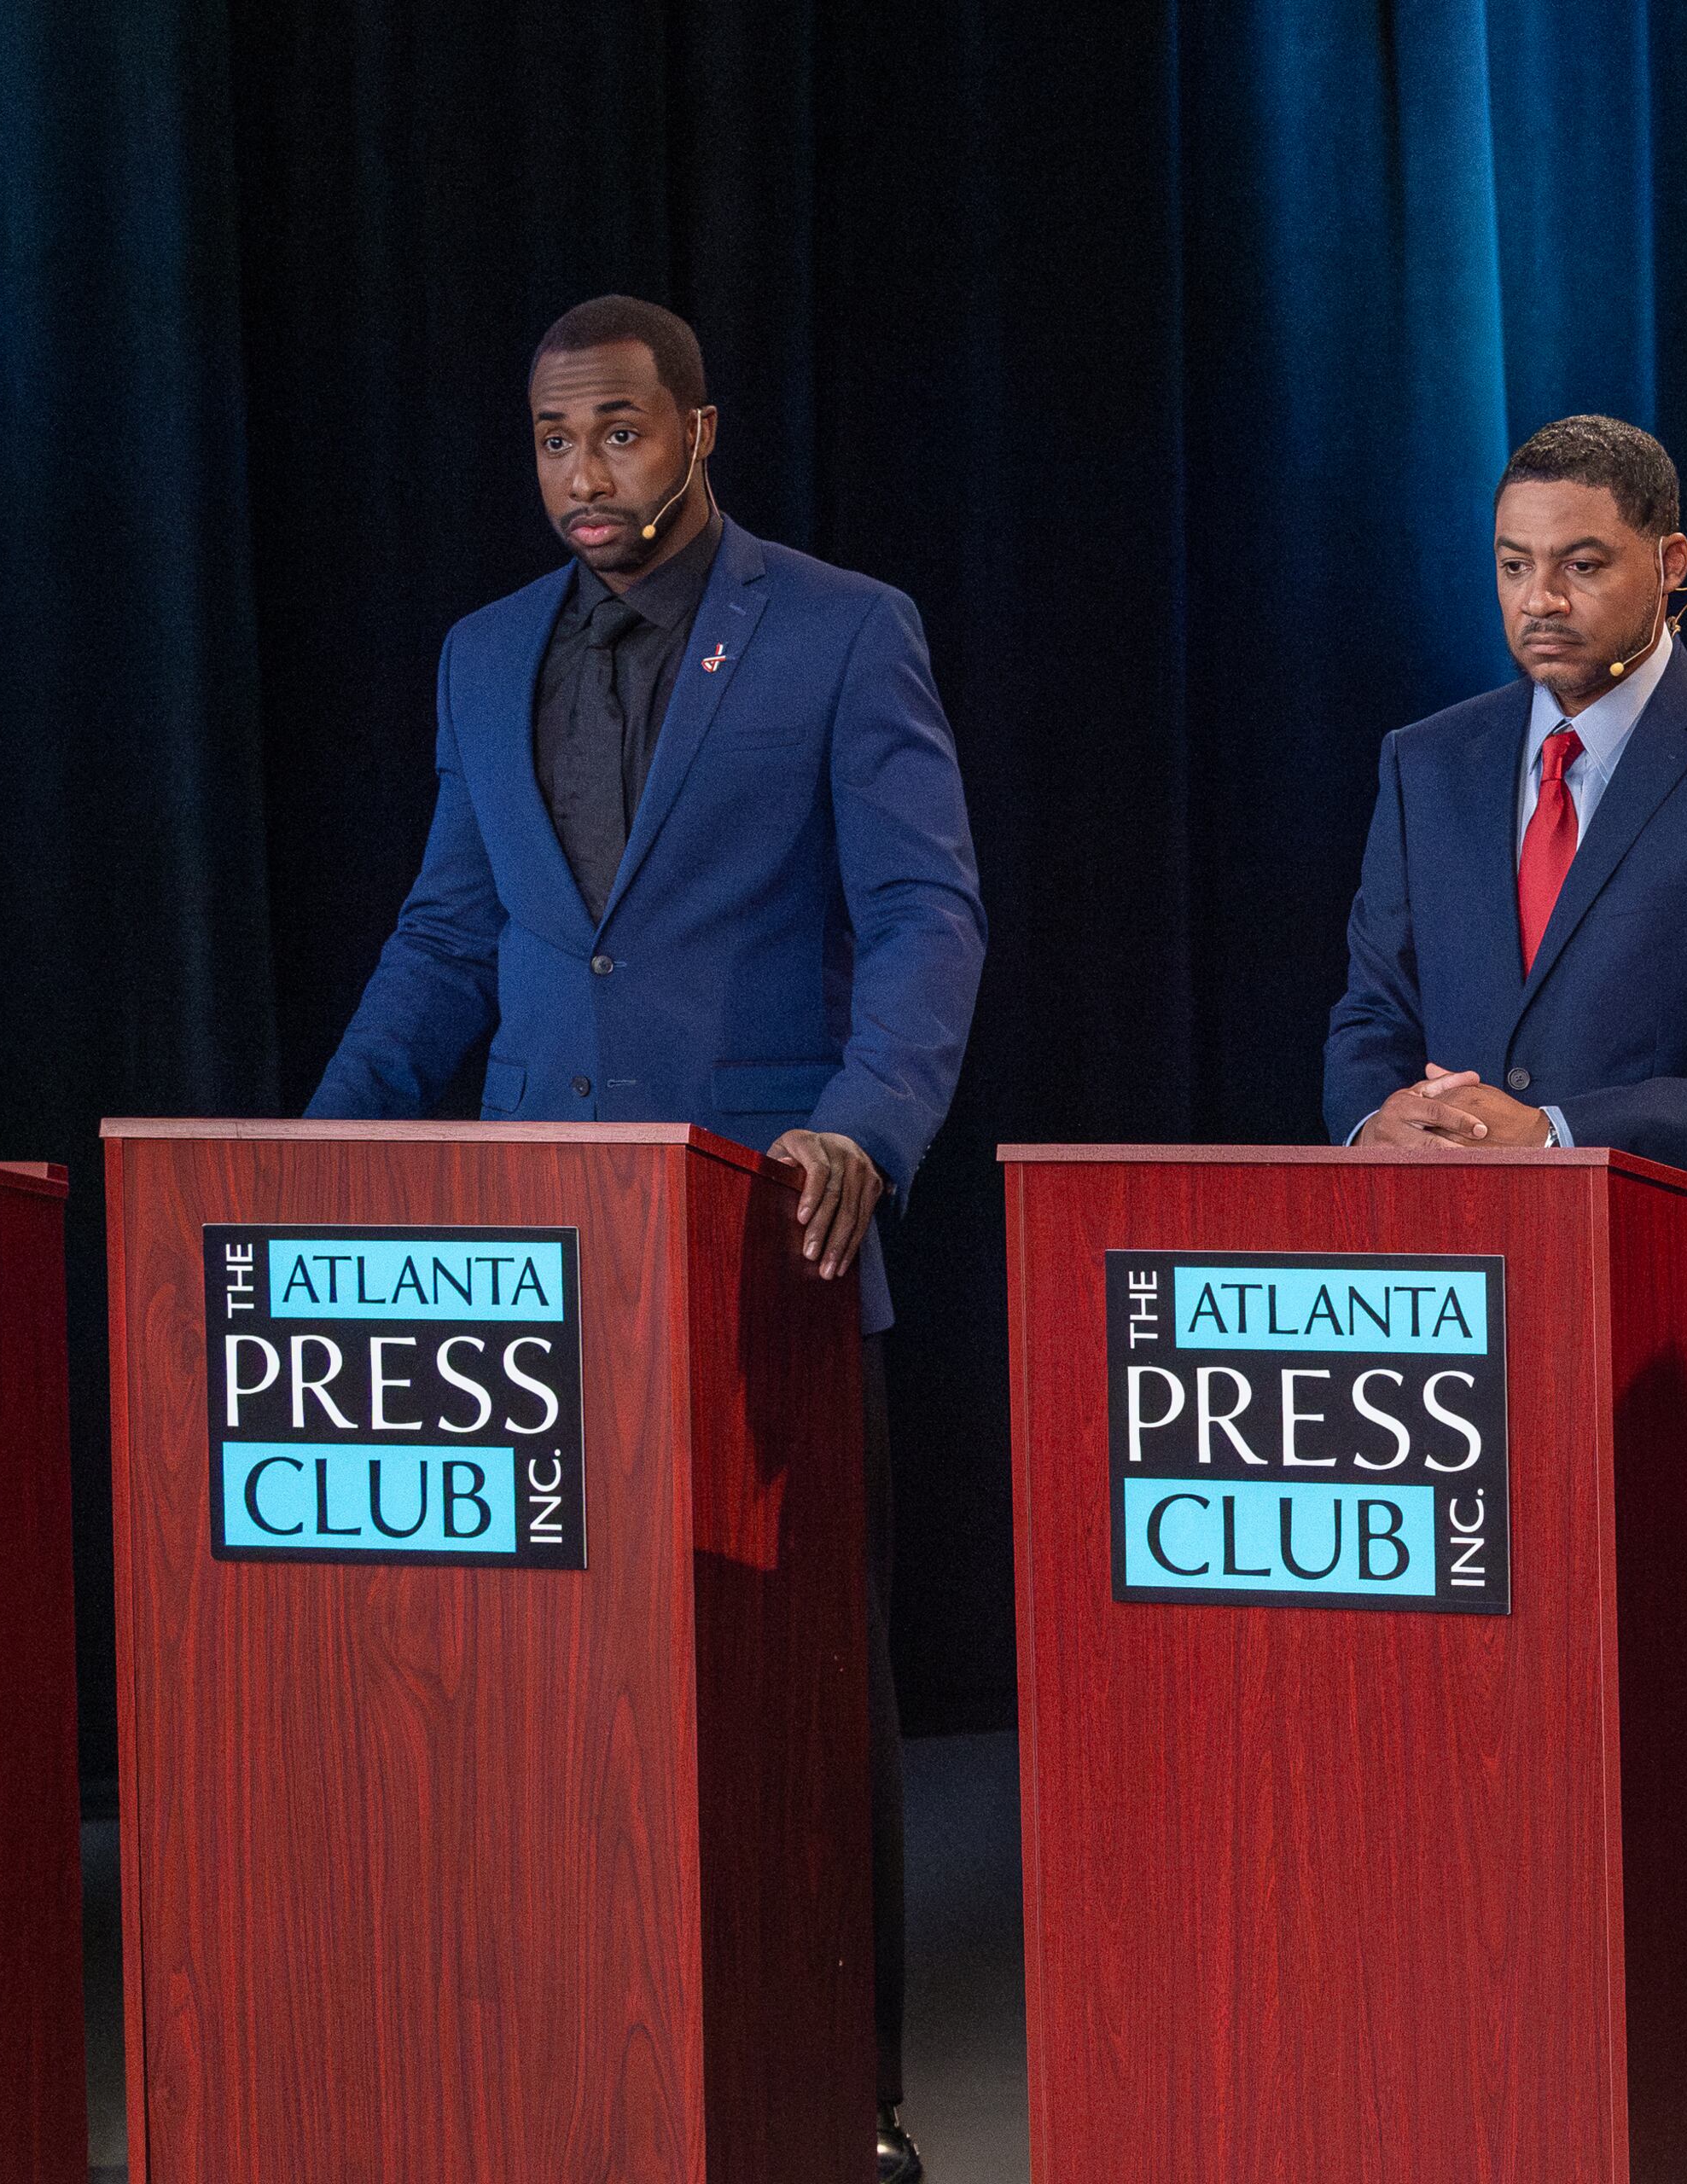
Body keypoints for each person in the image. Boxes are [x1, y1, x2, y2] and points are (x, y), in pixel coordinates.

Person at [307, 294, 984, 2184]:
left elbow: (930, 915)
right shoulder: (481, 652)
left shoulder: (844, 633)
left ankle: (839, 2102)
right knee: (537, 1696)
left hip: (763, 1244)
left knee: (795, 1706)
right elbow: (456, 933)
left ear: (698, 431)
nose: (581, 473)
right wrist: (315, 1155)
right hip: (522, 1273)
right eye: (549, 439)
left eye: (615, 432)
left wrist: (863, 1118)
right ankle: (566, 2066)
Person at [1323, 413, 1687, 2164]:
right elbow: (1364, 1022)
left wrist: (1543, 1126)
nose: (1538, 601)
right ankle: (1502, 2080)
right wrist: (1382, 1122)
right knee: (1481, 1770)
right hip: (1450, 1348)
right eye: (1510, 565)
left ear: (1669, 565)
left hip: (1674, 1346)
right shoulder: (1430, 759)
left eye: (1579, 562)